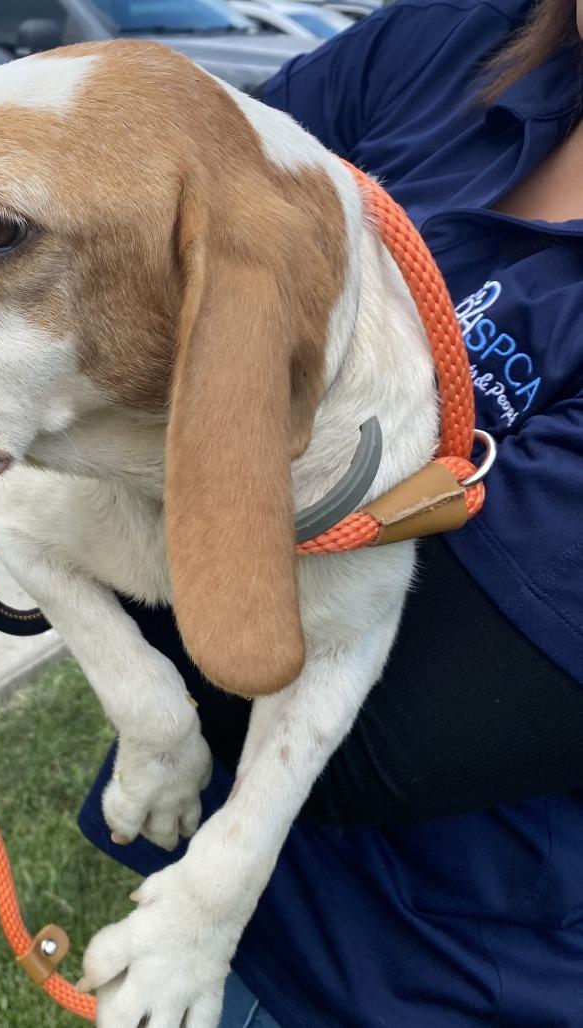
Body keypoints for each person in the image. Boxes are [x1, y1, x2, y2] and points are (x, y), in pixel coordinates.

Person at [77, 0, 583, 1023]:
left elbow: (395, 732)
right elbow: (147, 213)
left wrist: (53, 468)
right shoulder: (454, 35)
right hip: (193, 883)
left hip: (422, 975)